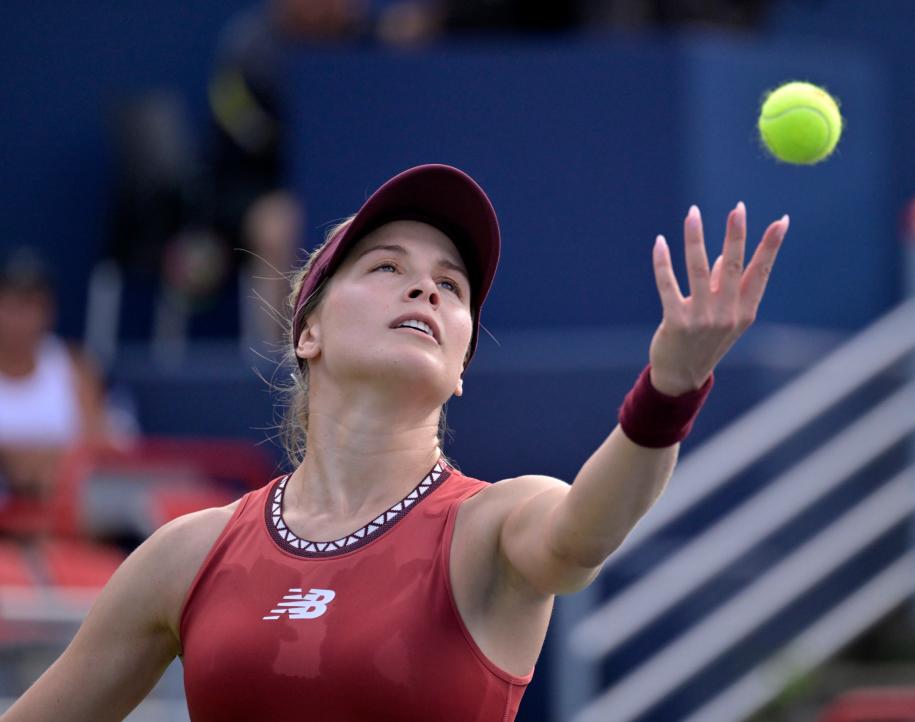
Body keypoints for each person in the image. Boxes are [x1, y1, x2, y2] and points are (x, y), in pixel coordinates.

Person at [0, 164, 788, 721]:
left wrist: (672, 385)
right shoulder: (186, 554)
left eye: (452, 287)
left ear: (459, 372)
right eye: (387, 267)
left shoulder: (495, 525)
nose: (427, 289)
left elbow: (587, 531)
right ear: (306, 331)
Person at [0, 248, 112, 500]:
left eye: (32, 306)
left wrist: (46, 464)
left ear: (49, 312)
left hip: (62, 515)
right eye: (10, 306)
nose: (20, 320)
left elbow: (99, 447)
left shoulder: (75, 367)